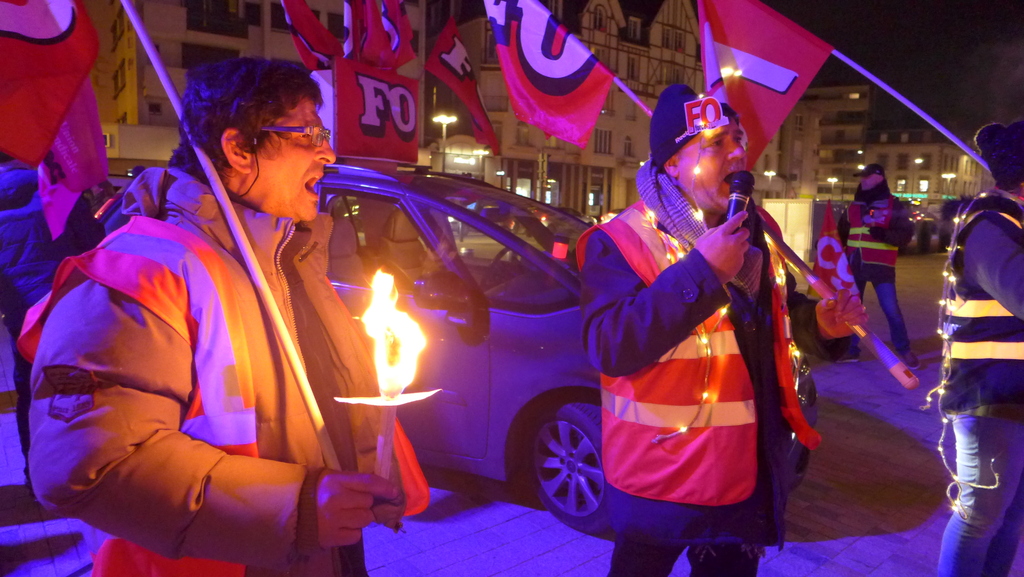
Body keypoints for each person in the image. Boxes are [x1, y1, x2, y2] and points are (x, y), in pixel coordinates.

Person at [19, 58, 404, 577]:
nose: (328, 152)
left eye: (324, 131)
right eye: (308, 132)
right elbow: (88, 465)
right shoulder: (142, 271)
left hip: (320, 554)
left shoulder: (290, 257)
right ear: (239, 149)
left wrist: (369, 477)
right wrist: (297, 508)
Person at [577, 85, 867, 577]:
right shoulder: (621, 240)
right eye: (715, 143)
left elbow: (771, 318)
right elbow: (610, 345)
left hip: (742, 477)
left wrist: (820, 324)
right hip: (663, 480)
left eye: (738, 138)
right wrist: (703, 273)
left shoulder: (754, 230)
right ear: (672, 163)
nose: (738, 153)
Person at [937, 120, 1024, 577]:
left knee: (1012, 519)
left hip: (1016, 396)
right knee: (980, 519)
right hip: (988, 397)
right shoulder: (990, 226)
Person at [0, 152, 103, 491]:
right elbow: (94, 244)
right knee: (76, 387)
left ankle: (36, 477)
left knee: (29, 390)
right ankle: (80, 469)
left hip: (20, 315)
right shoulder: (56, 192)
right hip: (66, 305)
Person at [838, 163, 918, 368]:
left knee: (891, 310)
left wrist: (884, 235)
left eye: (867, 176)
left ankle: (904, 350)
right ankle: (851, 349)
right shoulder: (854, 205)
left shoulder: (894, 205)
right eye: (861, 177)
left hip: (881, 266)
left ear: (879, 178)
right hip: (854, 264)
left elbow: (905, 234)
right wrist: (827, 245)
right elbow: (841, 232)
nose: (862, 180)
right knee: (852, 311)